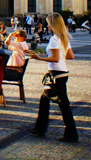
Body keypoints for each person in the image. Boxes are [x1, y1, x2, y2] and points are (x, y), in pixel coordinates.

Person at [28, 13, 78, 143]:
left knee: (63, 104)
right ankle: (40, 128)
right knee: (45, 98)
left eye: (49, 23)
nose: (47, 26)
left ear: (53, 25)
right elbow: (70, 56)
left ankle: (71, 134)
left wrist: (39, 58)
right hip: (61, 72)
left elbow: (55, 58)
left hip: (57, 73)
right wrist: (46, 54)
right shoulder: (63, 38)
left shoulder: (55, 39)